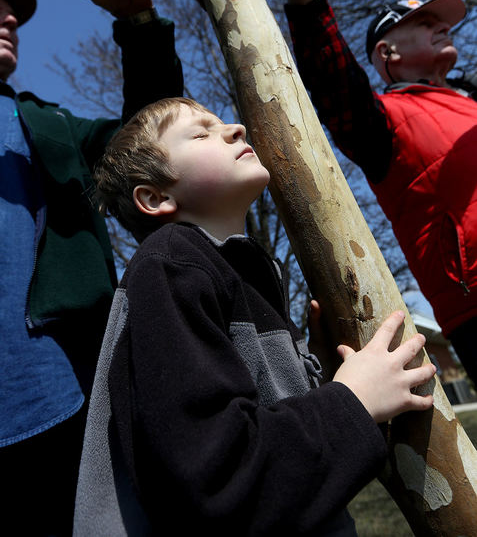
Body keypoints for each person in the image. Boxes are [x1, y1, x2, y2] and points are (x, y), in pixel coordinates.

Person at [73, 96, 435, 536]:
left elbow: (286, 455)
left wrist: (321, 378)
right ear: (155, 197)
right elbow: (220, 478)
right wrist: (351, 402)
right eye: (202, 132)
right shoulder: (171, 265)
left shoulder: (247, 275)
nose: (236, 128)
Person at [0, 0, 183, 535]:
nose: (8, 19)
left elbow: (153, 145)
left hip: (64, 402)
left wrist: (137, 21)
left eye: (14, 8)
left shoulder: (48, 126)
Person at [261, 0, 477, 386]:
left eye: (441, 20)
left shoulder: (470, 98)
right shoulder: (384, 121)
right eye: (423, 21)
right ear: (388, 54)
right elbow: (333, 81)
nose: (442, 27)